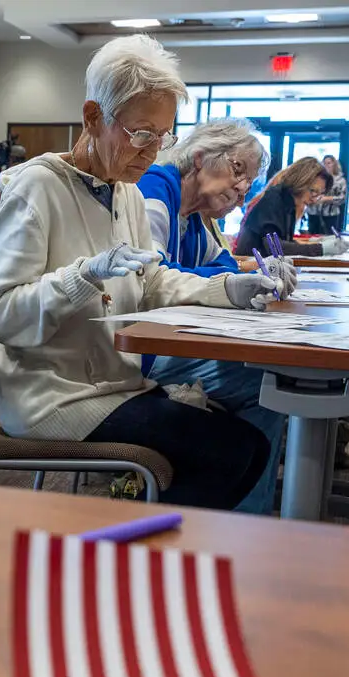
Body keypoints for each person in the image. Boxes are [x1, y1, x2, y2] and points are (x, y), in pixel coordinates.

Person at [0, 35, 280, 511]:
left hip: (114, 384)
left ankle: (152, 547)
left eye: (164, 137)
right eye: (142, 134)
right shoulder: (37, 189)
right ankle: (140, 551)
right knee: (230, 451)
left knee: (250, 448)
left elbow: (152, 281)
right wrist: (83, 276)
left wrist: (227, 288)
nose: (152, 151)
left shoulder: (126, 193)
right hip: (51, 397)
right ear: (93, 118)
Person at [137, 118, 289, 514]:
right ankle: (242, 510)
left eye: (249, 182)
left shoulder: (193, 218)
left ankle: (233, 497)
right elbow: (150, 277)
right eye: (239, 170)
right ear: (200, 157)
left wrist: (261, 273)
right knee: (269, 383)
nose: (242, 188)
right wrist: (232, 279)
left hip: (164, 343)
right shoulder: (156, 190)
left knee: (270, 379)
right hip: (135, 354)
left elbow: (223, 266)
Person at [234, 156, 347, 257]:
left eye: (318, 194)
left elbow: (286, 242)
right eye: (313, 191)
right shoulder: (275, 198)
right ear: (300, 182)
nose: (314, 199)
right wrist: (321, 248)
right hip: (250, 269)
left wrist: (318, 242)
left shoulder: (290, 203)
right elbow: (274, 247)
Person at [307, 154, 347, 234]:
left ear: (334, 164)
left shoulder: (340, 180)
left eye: (329, 163)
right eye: (324, 163)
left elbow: (342, 198)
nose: (326, 165)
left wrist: (327, 198)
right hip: (314, 213)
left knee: (329, 238)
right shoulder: (316, 178)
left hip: (331, 215)